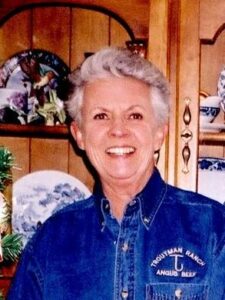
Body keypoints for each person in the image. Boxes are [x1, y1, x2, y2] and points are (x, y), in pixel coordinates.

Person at [7, 47, 225, 299]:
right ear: (79, 135)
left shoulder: (215, 231)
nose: (118, 130)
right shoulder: (50, 242)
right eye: (101, 116)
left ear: (159, 133)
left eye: (134, 115)